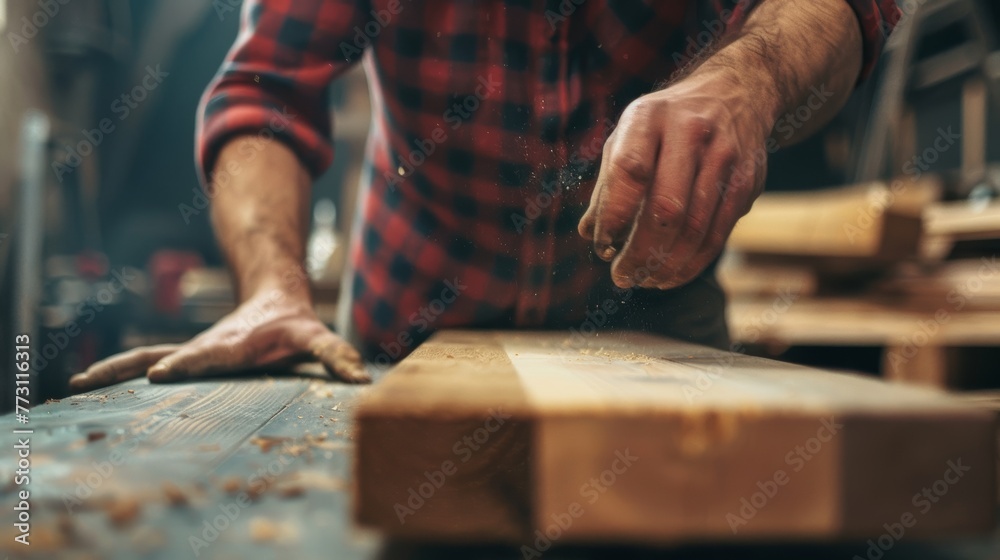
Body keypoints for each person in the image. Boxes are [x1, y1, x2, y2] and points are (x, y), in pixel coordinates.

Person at [69, 0, 899, 391]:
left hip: (656, 326)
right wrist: (273, 290)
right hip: (407, 326)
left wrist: (744, 85)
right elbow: (263, 92)